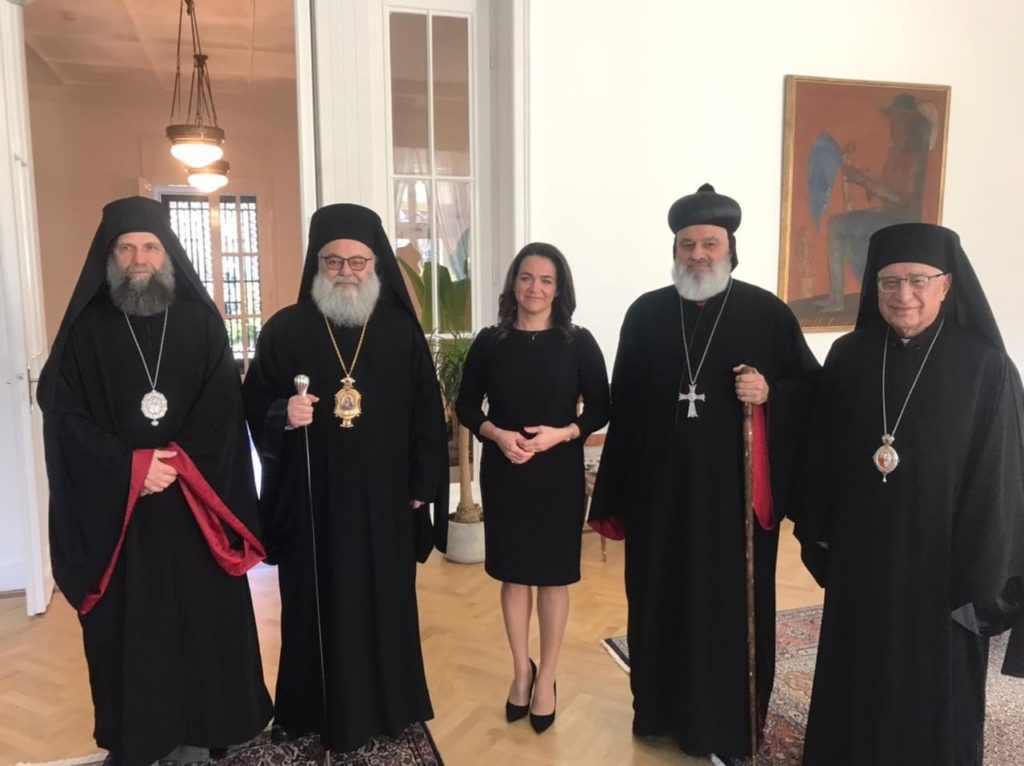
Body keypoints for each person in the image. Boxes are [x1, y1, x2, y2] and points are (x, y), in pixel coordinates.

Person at [588, 184, 820, 765]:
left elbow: (812, 389)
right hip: (659, 501)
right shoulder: (645, 314)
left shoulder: (767, 313)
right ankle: (658, 713)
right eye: (687, 244)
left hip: (731, 506)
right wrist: (617, 496)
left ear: (730, 250)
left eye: (709, 244)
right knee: (657, 603)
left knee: (728, 613)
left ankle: (730, 727)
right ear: (674, 251)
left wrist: (769, 393)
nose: (698, 254)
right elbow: (624, 407)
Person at [37, 196, 272, 766]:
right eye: (126, 248)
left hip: (193, 507)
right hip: (121, 516)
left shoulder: (200, 322)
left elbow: (223, 407)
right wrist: (131, 467)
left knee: (203, 621)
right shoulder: (87, 329)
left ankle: (212, 725)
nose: (139, 258)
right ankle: (139, 738)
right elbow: (63, 413)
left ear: (167, 254)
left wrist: (176, 463)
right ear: (109, 256)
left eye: (149, 246)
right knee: (133, 629)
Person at [795, 222, 1024, 766]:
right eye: (890, 281)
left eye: (919, 280)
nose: (904, 295)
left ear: (946, 284)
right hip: (861, 559)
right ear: (874, 287)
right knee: (857, 671)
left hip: (943, 567)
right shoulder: (849, 356)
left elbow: (999, 474)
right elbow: (822, 448)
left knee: (934, 695)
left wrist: (980, 570)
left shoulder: (984, 366)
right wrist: (820, 527)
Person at [243, 203, 449, 752]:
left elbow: (427, 414)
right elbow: (253, 402)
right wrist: (283, 413)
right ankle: (310, 708)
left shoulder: (400, 331)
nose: (346, 272)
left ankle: (389, 705)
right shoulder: (285, 330)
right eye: (333, 262)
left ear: (375, 265)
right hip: (314, 502)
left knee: (385, 604)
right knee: (313, 603)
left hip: (384, 501)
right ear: (317, 265)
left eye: (358, 262)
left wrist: (422, 484)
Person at [456, 243, 609, 734]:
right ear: (513, 283)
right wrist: (497, 435)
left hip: (557, 472)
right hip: (506, 471)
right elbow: (466, 406)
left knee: (553, 578)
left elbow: (601, 408)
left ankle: (548, 679)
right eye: (526, 277)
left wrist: (562, 434)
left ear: (559, 289)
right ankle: (522, 671)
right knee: (514, 576)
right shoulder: (490, 341)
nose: (535, 288)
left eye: (546, 280)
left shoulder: (578, 342)